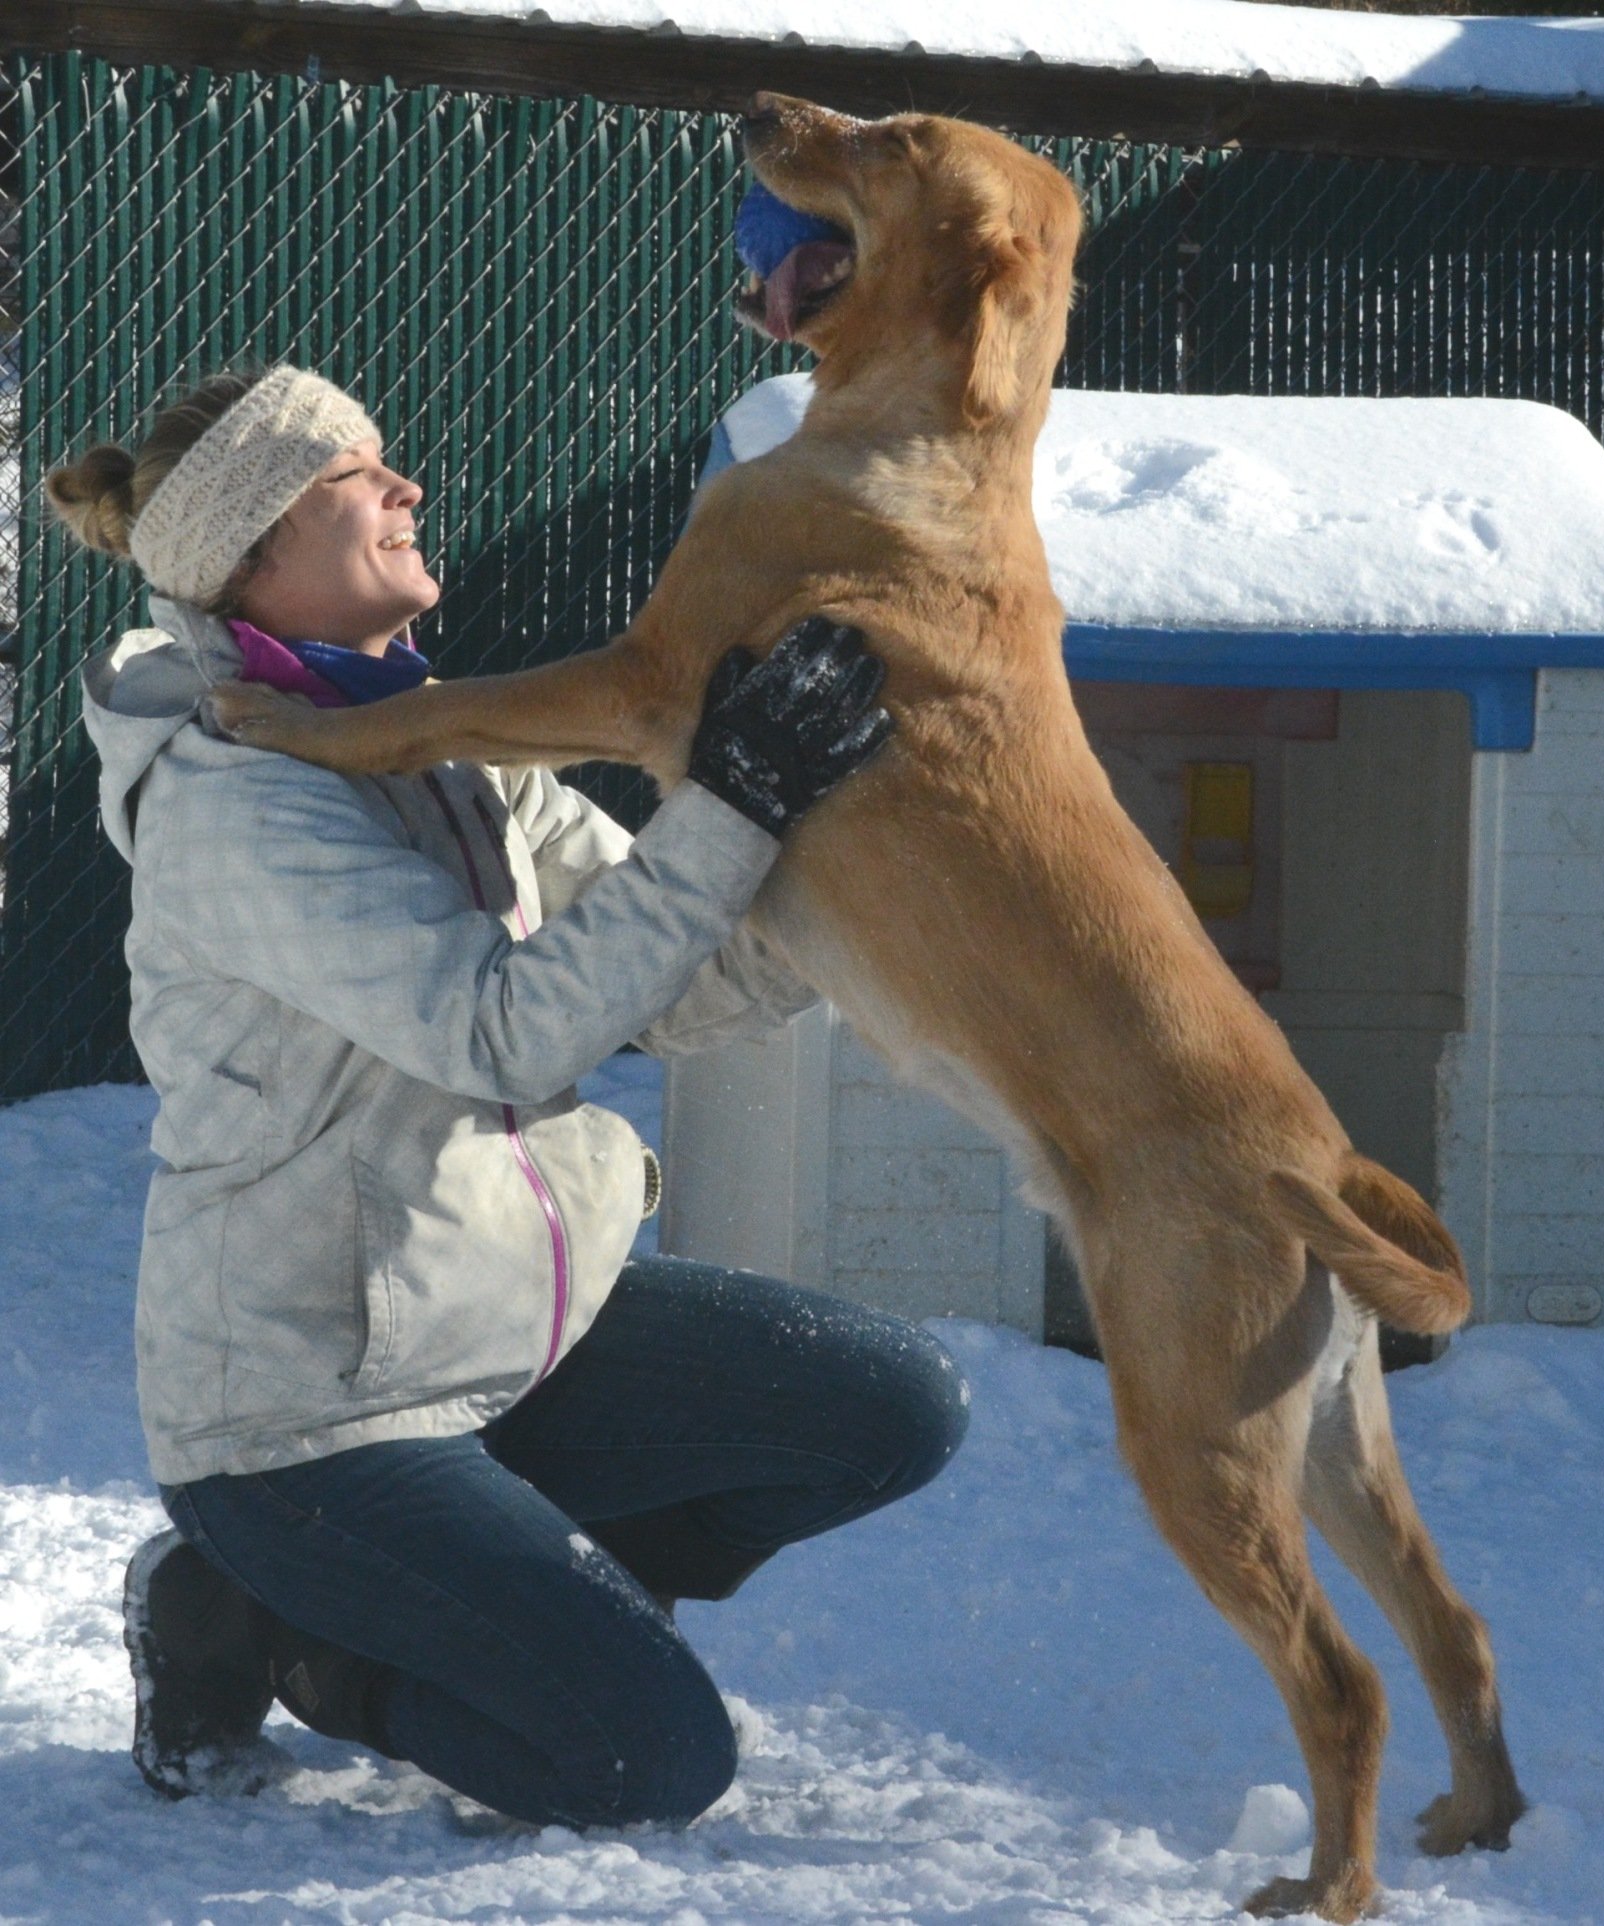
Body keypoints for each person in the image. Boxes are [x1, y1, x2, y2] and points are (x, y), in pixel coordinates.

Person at [50, 364, 970, 1828]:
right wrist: (726, 812)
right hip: (311, 1413)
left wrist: (835, 847)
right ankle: (295, 1630)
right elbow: (498, 1032)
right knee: (645, 1759)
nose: (408, 487)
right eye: (361, 474)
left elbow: (678, 982)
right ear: (253, 554)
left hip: (507, 1336)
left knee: (891, 1406)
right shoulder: (234, 801)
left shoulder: (446, 744)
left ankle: (512, 1599)